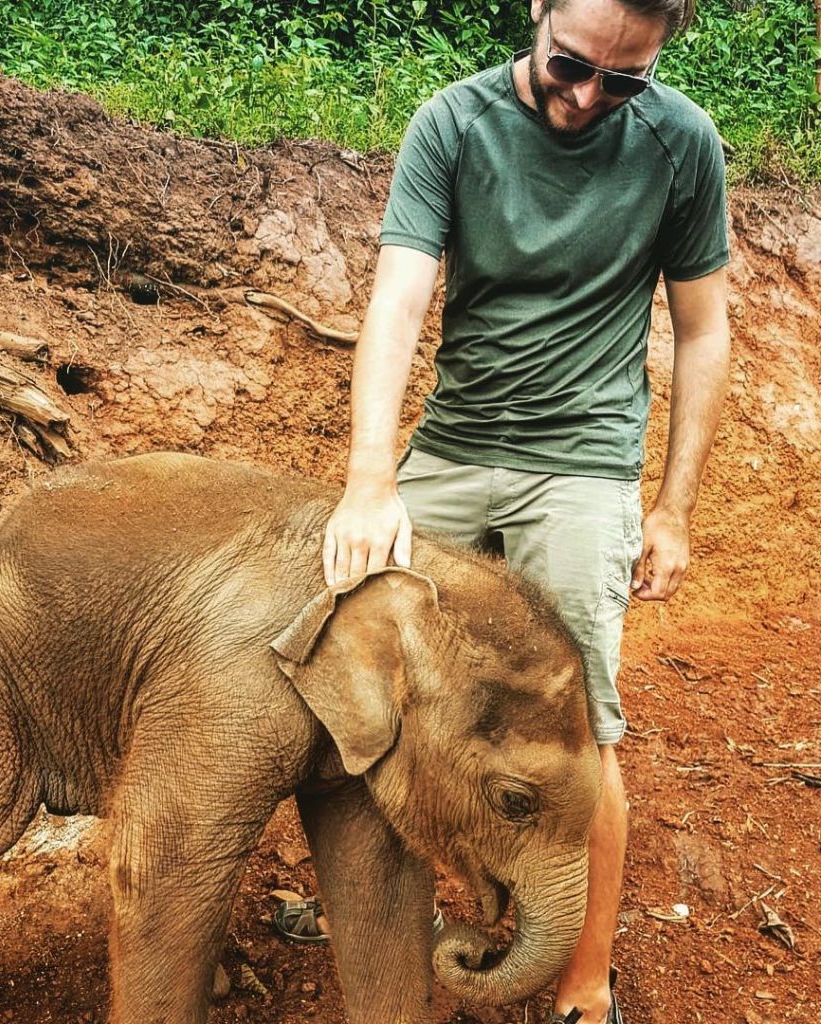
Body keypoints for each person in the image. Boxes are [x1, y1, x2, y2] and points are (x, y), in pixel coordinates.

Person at [278, 0, 730, 1021]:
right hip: (455, 442)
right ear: (538, 10)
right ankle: (376, 919)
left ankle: (583, 982)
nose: (588, 97)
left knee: (580, 733)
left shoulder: (680, 143)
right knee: (367, 684)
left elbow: (704, 329)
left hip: (583, 465)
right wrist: (369, 480)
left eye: (624, 79)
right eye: (570, 65)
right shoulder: (455, 122)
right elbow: (399, 300)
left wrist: (673, 509)